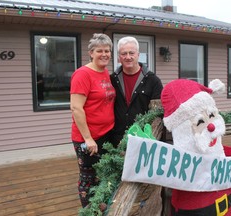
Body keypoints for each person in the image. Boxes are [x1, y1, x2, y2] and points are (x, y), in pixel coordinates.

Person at [70, 33, 115, 208]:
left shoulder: (104, 72)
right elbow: (76, 108)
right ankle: (89, 210)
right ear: (91, 53)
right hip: (87, 138)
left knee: (101, 174)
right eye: (99, 51)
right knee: (88, 177)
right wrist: (88, 138)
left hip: (105, 134)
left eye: (107, 50)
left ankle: (101, 206)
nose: (104, 54)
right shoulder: (82, 74)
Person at [110, 36, 163, 146]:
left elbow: (157, 115)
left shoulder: (153, 81)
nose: (128, 57)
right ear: (119, 57)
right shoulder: (112, 80)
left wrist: (149, 139)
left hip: (143, 140)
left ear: (138, 55)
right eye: (124, 54)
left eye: (131, 53)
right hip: (116, 141)